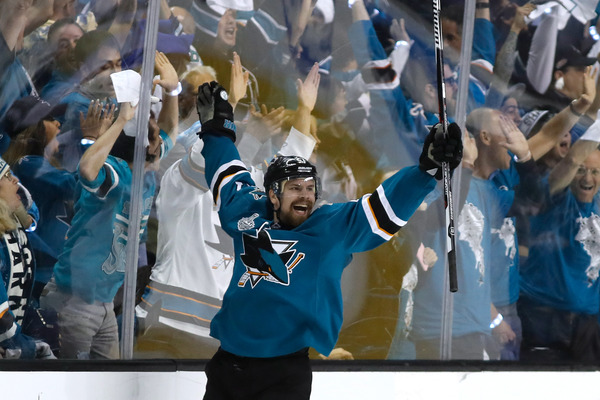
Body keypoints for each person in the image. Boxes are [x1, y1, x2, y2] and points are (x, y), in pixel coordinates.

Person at [195, 80, 462, 398]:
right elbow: (227, 173)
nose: (305, 196)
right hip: (228, 365)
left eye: (310, 188)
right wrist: (218, 129)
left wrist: (426, 170)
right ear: (273, 196)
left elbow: (381, 209)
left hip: (283, 373)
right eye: (295, 188)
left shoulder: (330, 227)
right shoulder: (247, 211)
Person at [40, 51, 179, 359]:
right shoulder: (117, 172)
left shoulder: (146, 171)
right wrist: (122, 120)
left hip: (104, 302)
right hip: (74, 300)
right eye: (153, 138)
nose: (161, 142)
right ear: (140, 145)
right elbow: (87, 170)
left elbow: (171, 128)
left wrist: (173, 91)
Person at [0, 157, 54, 359]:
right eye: (7, 176)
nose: (15, 180)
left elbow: (30, 220)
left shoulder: (12, 224)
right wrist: (18, 344)